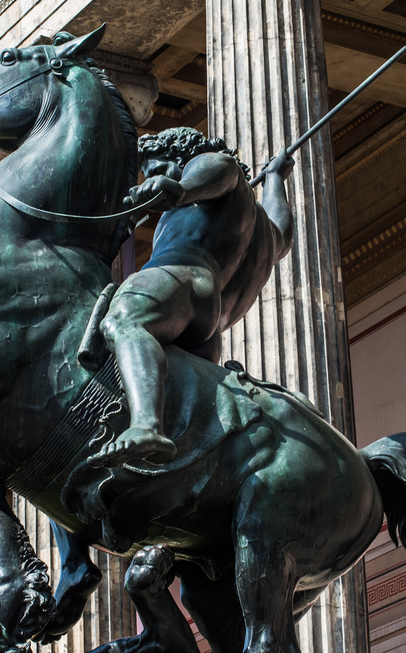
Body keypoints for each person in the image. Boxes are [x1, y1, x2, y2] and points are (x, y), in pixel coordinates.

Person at [89, 127, 294, 467]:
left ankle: (146, 426)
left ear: (183, 158)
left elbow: (223, 170)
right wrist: (275, 178)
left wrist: (180, 189)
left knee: (123, 321)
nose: (151, 178)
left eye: (156, 169)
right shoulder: (255, 225)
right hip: (206, 331)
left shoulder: (210, 170)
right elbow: (283, 235)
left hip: (180, 280)